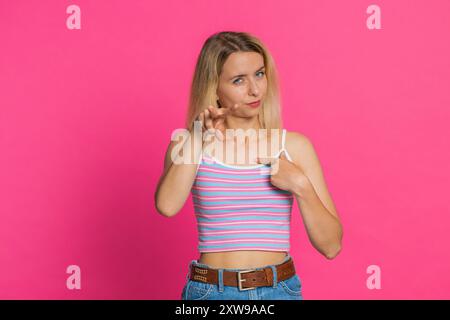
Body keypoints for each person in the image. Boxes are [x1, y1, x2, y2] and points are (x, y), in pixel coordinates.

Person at [155, 31, 343, 300]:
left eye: (259, 74)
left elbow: (331, 246)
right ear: (214, 87)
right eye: (238, 80)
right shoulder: (188, 144)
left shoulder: (293, 147)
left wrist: (301, 185)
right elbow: (167, 206)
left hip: (280, 290)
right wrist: (198, 136)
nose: (255, 90)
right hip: (210, 292)